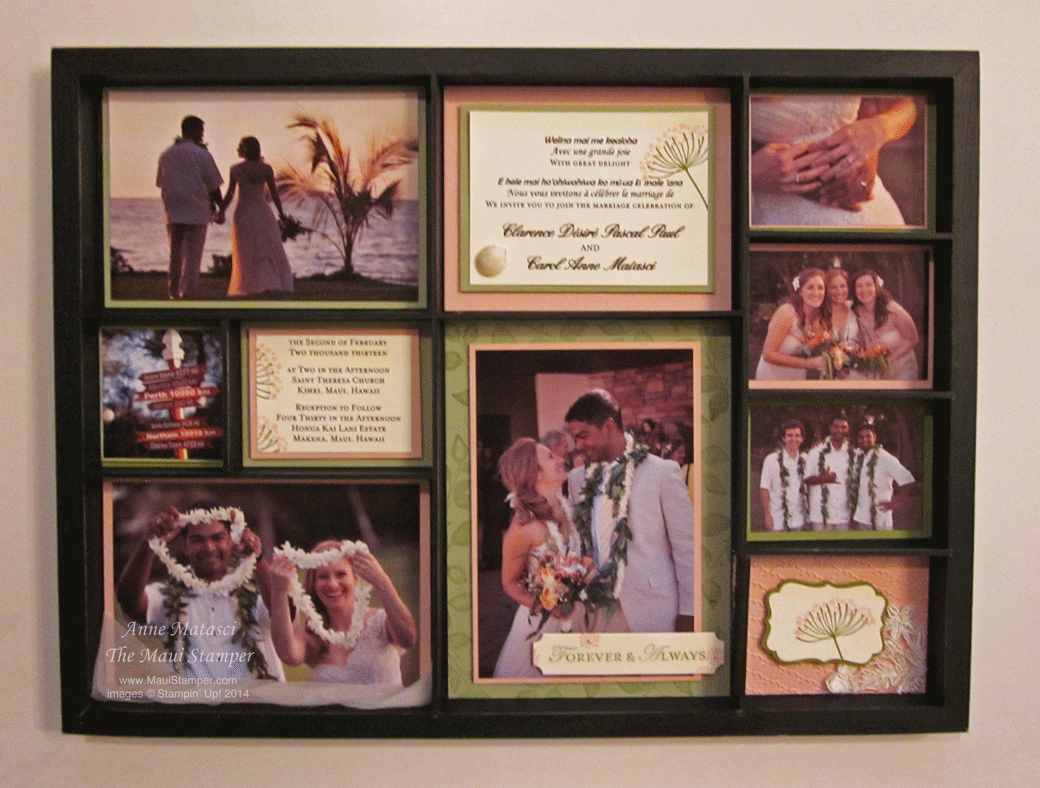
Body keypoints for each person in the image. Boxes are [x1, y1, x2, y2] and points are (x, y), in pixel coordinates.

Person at [566, 389, 696, 633]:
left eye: (583, 435)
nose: (579, 445)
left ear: (609, 426)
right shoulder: (576, 479)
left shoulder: (661, 472)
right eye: (575, 439)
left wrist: (689, 612)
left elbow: (687, 547)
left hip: (651, 611)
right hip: (594, 613)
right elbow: (578, 543)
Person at [115, 504, 284, 681]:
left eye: (218, 538)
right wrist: (150, 542)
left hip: (257, 698)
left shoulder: (256, 590)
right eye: (197, 540)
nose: (209, 548)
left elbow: (284, 611)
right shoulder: (169, 596)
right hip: (194, 699)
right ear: (185, 546)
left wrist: (257, 558)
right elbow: (128, 602)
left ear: (231, 541)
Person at [492, 438, 603, 678]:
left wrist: (586, 566)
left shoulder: (565, 508)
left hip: (580, 617)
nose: (561, 459)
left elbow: (576, 555)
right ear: (535, 473)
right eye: (551, 457)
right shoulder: (522, 528)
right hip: (542, 628)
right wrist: (544, 606)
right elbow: (509, 582)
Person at [750, 94, 917, 227]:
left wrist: (877, 131)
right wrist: (749, 175)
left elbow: (905, 104)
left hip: (863, 200)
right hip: (773, 204)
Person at [268, 541, 417, 685]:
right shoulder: (314, 639)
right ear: (314, 584)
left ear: (355, 577)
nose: (333, 584)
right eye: (323, 576)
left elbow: (408, 639)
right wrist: (279, 590)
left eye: (341, 574)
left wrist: (381, 581)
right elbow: (288, 655)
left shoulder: (380, 621)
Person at [155, 115, 224, 299]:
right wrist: (221, 207)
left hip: (173, 211)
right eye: (201, 131)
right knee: (192, 256)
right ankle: (187, 294)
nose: (202, 135)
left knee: (175, 255)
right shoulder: (202, 154)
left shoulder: (166, 154)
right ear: (193, 130)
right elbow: (213, 186)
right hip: (196, 210)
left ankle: (173, 292)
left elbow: (161, 182)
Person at [219, 136, 294, 296]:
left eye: (239, 146)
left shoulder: (236, 169)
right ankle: (268, 282)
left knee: (247, 249)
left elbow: (230, 194)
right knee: (265, 247)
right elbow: (274, 194)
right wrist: (281, 213)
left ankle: (250, 285)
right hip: (262, 211)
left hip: (243, 212)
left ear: (244, 149)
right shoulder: (266, 169)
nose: (237, 149)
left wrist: (221, 210)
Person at [755, 267, 831, 380]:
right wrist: (808, 363)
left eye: (820, 288)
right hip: (772, 377)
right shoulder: (787, 312)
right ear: (800, 292)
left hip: (797, 378)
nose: (816, 293)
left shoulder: (818, 319)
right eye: (810, 287)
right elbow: (768, 354)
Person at [851, 268, 921, 380]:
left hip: (903, 367)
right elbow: (863, 341)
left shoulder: (893, 309)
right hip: (877, 370)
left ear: (877, 287)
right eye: (859, 286)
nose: (864, 290)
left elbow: (913, 339)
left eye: (869, 285)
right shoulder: (858, 312)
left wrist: (889, 361)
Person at [851, 424, 916, 531]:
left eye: (868, 436)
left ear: (875, 437)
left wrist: (898, 503)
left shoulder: (884, 457)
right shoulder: (859, 457)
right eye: (861, 437)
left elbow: (908, 479)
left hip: (880, 521)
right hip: (860, 520)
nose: (864, 440)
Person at [804, 414, 857, 531]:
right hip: (820, 516)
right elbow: (806, 479)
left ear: (848, 429)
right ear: (830, 428)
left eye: (843, 427)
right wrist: (823, 479)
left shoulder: (854, 453)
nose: (839, 430)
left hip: (844, 516)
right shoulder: (816, 451)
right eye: (836, 426)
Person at [759, 419, 809, 532]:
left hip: (799, 521)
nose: (793, 439)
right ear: (783, 438)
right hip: (777, 521)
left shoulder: (807, 460)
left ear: (802, 439)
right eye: (789, 435)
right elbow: (764, 488)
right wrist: (767, 515)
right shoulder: (771, 460)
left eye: (797, 435)